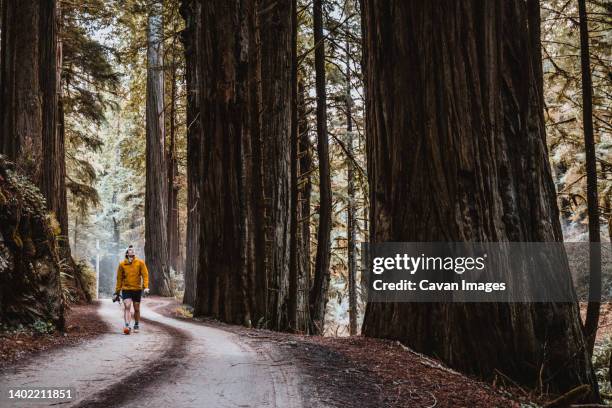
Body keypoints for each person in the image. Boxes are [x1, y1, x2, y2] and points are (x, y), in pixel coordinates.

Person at [113, 245, 150, 334]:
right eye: (130, 251)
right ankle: (127, 326)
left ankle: (136, 324)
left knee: (136, 308)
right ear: (127, 253)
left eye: (133, 251)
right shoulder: (122, 264)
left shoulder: (140, 263)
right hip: (126, 289)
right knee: (127, 306)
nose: (132, 252)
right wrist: (117, 291)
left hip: (137, 289)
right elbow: (119, 278)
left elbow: (145, 275)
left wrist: (145, 287)